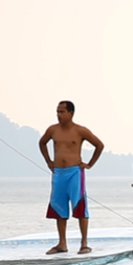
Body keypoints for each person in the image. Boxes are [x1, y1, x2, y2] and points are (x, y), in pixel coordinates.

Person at [39, 100, 104, 255]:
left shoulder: (80, 130)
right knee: (58, 206)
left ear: (70, 113)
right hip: (58, 173)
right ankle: (62, 243)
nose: (59, 115)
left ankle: (84, 243)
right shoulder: (53, 130)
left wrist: (89, 164)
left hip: (74, 172)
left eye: (62, 112)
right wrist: (49, 161)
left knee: (79, 205)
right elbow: (42, 143)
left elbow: (99, 145)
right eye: (57, 112)